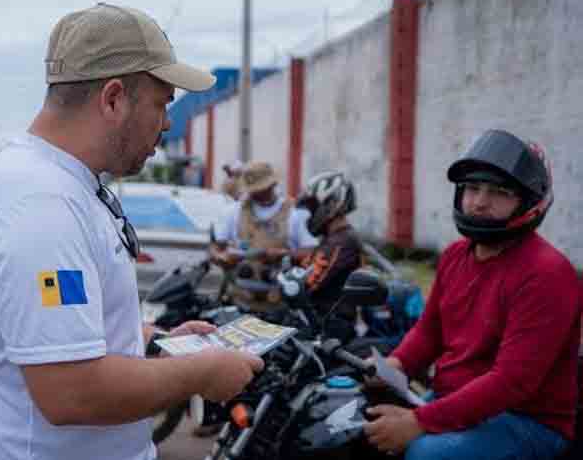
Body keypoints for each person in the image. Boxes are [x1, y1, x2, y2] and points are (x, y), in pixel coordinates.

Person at [0, 3, 264, 460]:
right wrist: (200, 374)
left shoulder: (59, 185)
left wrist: (154, 341)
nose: (168, 122)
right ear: (113, 99)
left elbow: (59, 338)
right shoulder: (41, 205)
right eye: (162, 103)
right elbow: (71, 391)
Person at [363, 129, 582, 460]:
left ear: (528, 202)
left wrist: (419, 421)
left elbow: (511, 382)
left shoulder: (547, 273)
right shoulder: (455, 256)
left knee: (425, 453)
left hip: (526, 421)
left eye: (499, 192)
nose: (479, 202)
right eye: (472, 188)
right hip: (454, 399)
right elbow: (429, 331)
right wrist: (396, 364)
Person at [210, 161, 318, 306]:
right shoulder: (234, 212)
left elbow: (312, 252)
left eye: (262, 189)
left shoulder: (295, 213)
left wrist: (283, 254)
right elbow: (217, 248)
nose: (258, 193)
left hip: (280, 304)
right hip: (240, 302)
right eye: (254, 190)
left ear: (273, 185)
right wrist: (222, 258)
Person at [294, 170, 364, 341]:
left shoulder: (343, 241)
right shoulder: (333, 238)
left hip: (331, 326)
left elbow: (308, 284)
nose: (310, 214)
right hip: (318, 319)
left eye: (313, 207)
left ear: (332, 204)